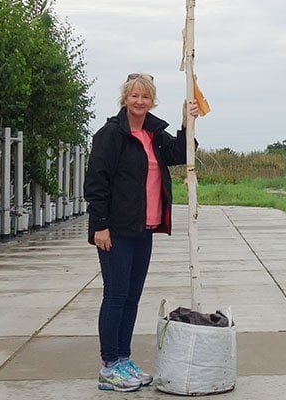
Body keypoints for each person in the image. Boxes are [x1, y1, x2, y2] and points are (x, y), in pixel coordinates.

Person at [84, 72, 198, 392]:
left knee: (132, 298)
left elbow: (179, 154)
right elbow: (96, 184)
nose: (139, 101)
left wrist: (186, 124)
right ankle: (109, 366)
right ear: (125, 98)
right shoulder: (110, 135)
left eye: (145, 97)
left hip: (143, 229)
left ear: (152, 101)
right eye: (134, 96)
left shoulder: (153, 133)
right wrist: (99, 227)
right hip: (115, 230)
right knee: (116, 296)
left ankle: (123, 358)